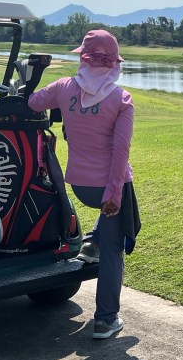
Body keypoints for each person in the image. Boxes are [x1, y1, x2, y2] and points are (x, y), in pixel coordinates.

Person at [28, 29, 136, 339]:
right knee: (113, 252)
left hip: (79, 184)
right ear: (113, 62)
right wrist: (114, 193)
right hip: (108, 189)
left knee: (116, 219)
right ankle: (106, 319)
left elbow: (34, 102)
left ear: (84, 59)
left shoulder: (64, 87)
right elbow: (121, 151)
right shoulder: (121, 99)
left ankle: (91, 242)